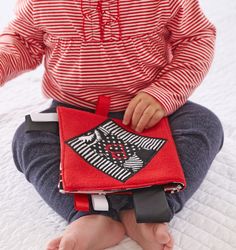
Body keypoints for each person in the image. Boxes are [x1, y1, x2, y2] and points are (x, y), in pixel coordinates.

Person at [0, 0, 224, 249]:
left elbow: (195, 37)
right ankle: (93, 216)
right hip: (74, 112)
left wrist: (164, 93)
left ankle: (147, 210)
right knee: (29, 136)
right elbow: (21, 42)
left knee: (204, 123)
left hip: (151, 113)